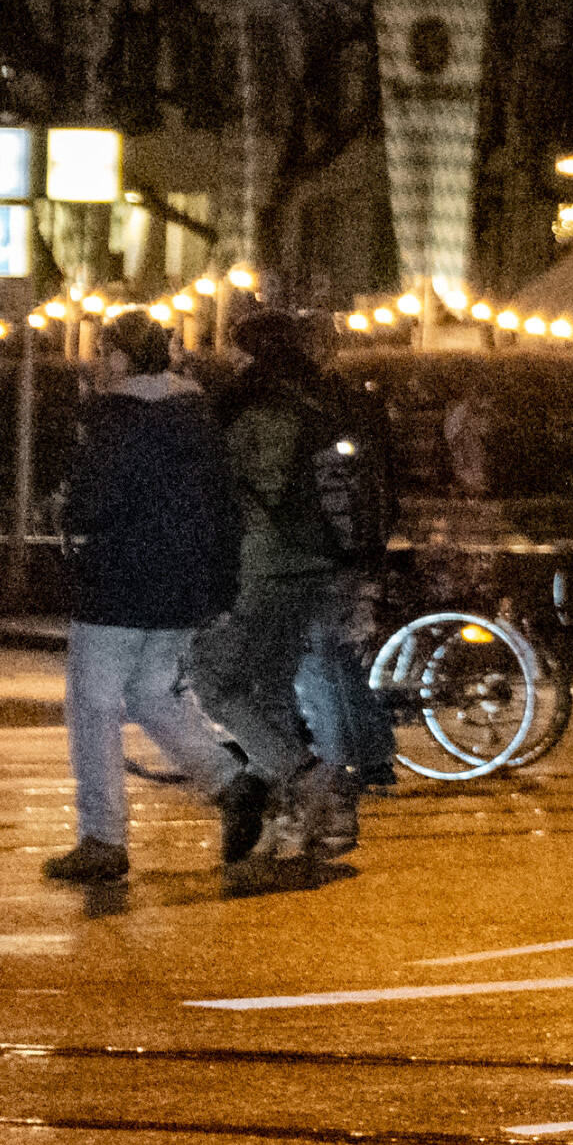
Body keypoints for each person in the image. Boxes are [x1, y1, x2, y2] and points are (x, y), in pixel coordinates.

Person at [46, 311, 259, 885]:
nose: (95, 360)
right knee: (149, 693)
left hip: (120, 579)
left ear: (119, 358)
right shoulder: (196, 416)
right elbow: (222, 502)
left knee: (92, 704)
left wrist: (70, 505)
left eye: (102, 350)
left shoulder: (115, 418)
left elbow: (92, 500)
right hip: (183, 582)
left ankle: (103, 839)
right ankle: (230, 781)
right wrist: (218, 583)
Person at [192, 313, 359, 864]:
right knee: (271, 686)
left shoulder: (248, 410)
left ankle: (313, 781)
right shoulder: (315, 404)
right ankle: (306, 815)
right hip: (314, 567)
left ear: (253, 354)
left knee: (217, 684)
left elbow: (224, 497)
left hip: (259, 567)